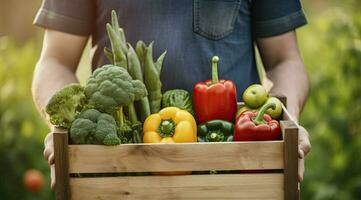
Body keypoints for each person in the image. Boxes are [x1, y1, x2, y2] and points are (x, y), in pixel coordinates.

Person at [32, 0, 311, 189]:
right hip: (119, 173)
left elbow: (285, 61)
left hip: (233, 172)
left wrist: (290, 122)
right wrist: (63, 128)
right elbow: (55, 61)